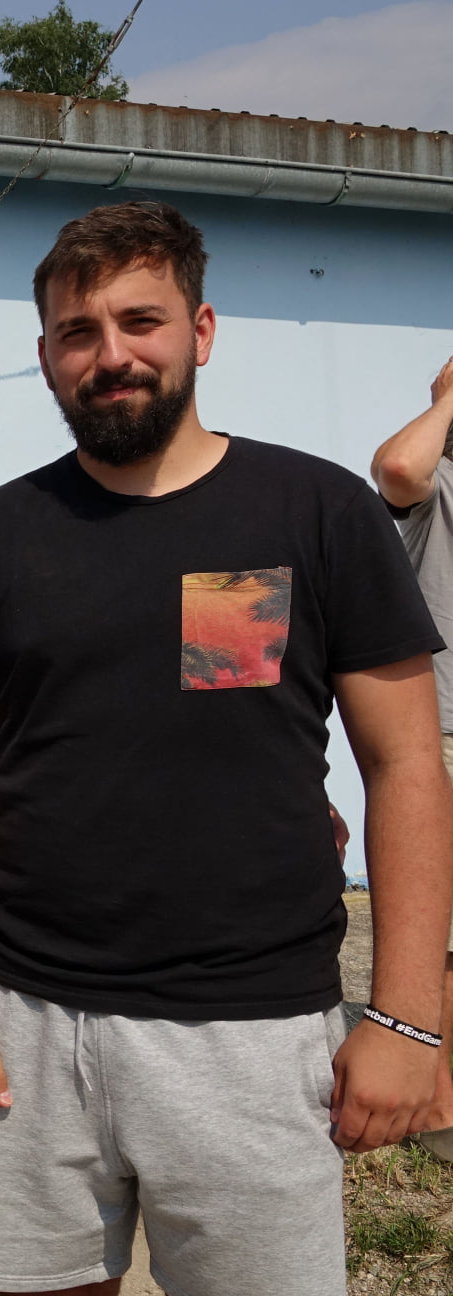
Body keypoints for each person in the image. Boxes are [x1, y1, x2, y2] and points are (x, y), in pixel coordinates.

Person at [0, 201, 453, 1295]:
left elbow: (405, 766)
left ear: (200, 331)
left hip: (250, 1030)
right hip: (23, 1020)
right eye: (78, 331)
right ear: (46, 356)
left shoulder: (318, 513)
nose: (110, 355)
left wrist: (406, 1016)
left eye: (139, 321)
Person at [370, 354, 453, 1158]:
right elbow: (397, 466)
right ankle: (436, 1110)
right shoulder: (439, 487)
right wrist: (450, 400)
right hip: (448, 729)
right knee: (446, 936)